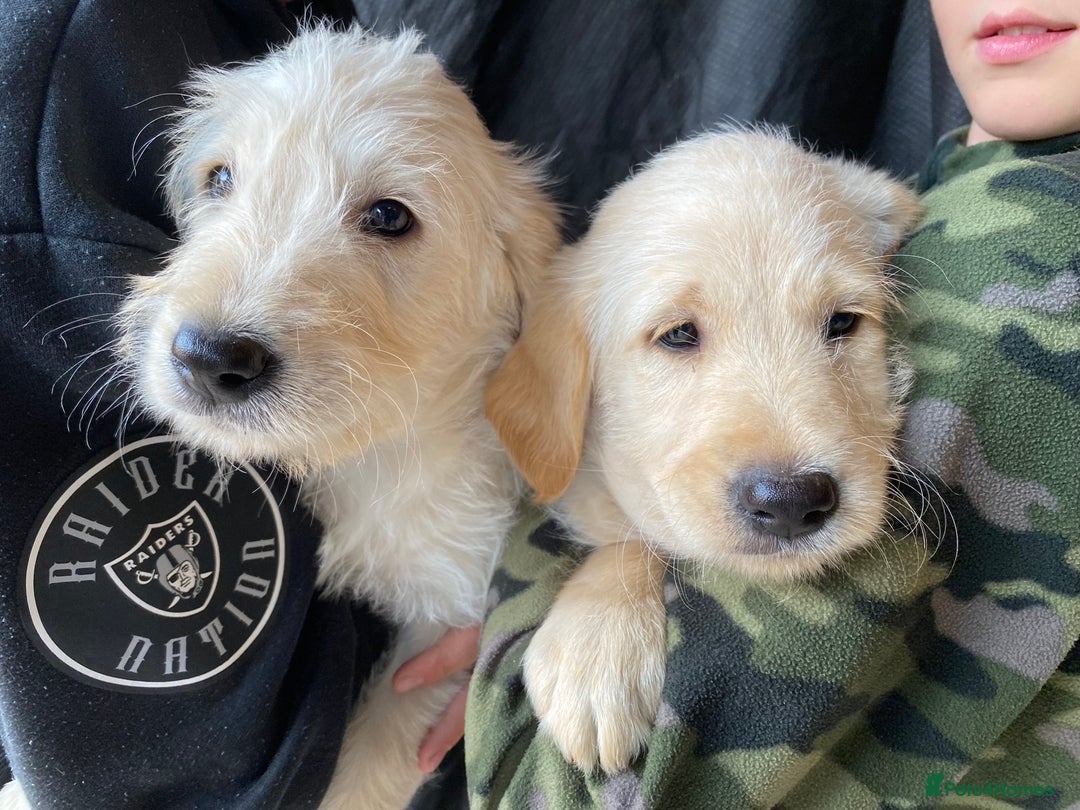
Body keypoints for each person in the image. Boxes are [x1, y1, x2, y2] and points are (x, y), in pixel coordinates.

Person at [0, 0, 961, 807]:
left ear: (514, 280)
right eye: (221, 180)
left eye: (387, 218)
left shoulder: (530, 347)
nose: (227, 317)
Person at [467, 1, 1080, 808]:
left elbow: (538, 788)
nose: (786, 468)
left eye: (841, 322)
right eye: (679, 336)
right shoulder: (938, 196)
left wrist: (531, 590)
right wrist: (617, 569)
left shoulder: (1034, 247)